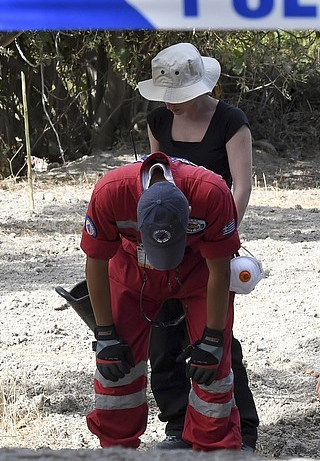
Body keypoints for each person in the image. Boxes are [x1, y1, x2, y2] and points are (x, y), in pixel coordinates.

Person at [137, 42, 259, 451]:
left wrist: (224, 237)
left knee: (214, 334)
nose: (168, 104)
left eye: (176, 96)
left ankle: (241, 428)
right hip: (169, 242)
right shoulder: (157, 119)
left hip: (215, 241)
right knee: (164, 334)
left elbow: (241, 185)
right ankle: (178, 425)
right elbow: (155, 180)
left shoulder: (230, 121)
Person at [80, 151, 242, 451]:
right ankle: (116, 451)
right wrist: (104, 334)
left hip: (199, 272)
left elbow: (220, 269)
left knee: (213, 369)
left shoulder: (213, 193)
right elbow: (96, 261)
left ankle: (214, 451)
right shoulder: (110, 192)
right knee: (116, 365)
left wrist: (213, 337)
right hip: (131, 271)